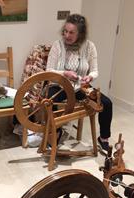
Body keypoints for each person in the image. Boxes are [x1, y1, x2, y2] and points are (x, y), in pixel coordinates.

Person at [46, 14, 113, 153]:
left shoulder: (90, 47)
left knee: (106, 103)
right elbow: (49, 70)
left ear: (80, 34)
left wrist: (89, 77)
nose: (66, 35)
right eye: (65, 31)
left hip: (79, 87)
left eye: (71, 32)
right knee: (49, 101)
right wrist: (65, 73)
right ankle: (55, 133)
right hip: (58, 86)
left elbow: (95, 71)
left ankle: (104, 138)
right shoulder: (57, 46)